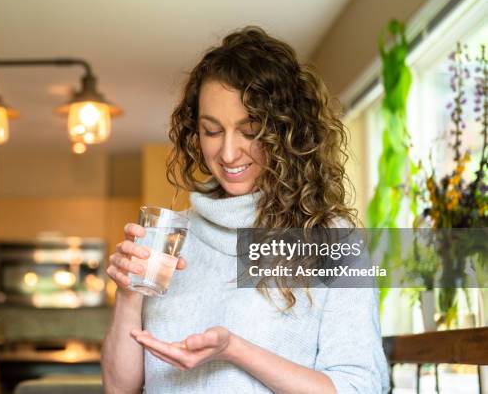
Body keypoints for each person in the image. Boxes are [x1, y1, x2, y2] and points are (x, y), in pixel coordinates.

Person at [102, 26, 389, 394]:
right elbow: (118, 388)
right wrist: (128, 296)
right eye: (212, 131)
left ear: (286, 131)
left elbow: (358, 387)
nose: (228, 153)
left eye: (250, 130)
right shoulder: (171, 242)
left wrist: (235, 350)